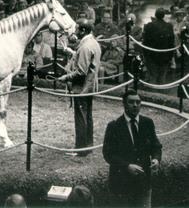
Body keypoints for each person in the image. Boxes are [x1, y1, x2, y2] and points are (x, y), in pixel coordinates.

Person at [103, 90, 162, 207]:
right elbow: (108, 154)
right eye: (131, 102)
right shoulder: (114, 126)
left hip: (143, 185)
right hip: (121, 185)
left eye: (138, 102)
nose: (135, 105)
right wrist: (127, 166)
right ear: (124, 104)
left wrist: (156, 159)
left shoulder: (148, 123)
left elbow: (156, 146)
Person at [58, 19, 101, 157]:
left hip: (81, 88)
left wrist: (65, 77)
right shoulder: (93, 43)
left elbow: (81, 71)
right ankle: (87, 146)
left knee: (81, 118)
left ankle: (80, 148)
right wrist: (71, 52)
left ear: (83, 30)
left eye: (77, 29)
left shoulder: (84, 46)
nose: (75, 32)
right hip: (89, 87)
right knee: (87, 117)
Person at [142, 8, 175, 84]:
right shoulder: (169, 26)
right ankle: (160, 93)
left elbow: (145, 41)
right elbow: (171, 43)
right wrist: (170, 57)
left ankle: (152, 94)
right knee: (162, 78)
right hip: (165, 57)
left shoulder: (149, 26)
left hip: (152, 56)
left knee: (152, 76)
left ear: (155, 15)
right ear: (163, 16)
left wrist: (146, 56)